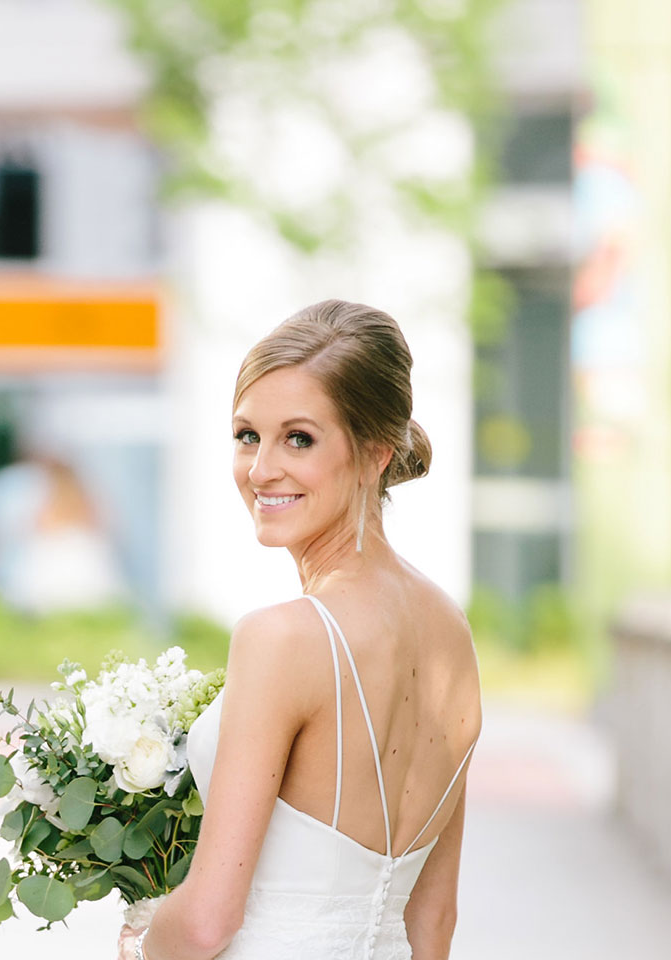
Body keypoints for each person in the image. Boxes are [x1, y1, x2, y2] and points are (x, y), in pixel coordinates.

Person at [132, 299, 482, 960]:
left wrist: (143, 941)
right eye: (246, 435)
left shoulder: (282, 638)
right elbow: (434, 921)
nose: (261, 469)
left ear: (376, 453)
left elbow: (208, 923)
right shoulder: (452, 633)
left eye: (299, 438)